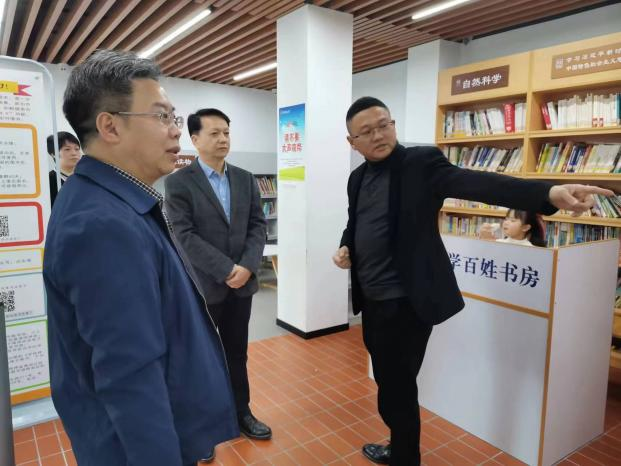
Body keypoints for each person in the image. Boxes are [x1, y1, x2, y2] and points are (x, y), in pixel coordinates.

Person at [332, 96, 613, 466]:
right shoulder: (357, 179)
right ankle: (399, 444)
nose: (378, 135)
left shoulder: (420, 163)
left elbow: (479, 184)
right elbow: (356, 222)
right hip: (372, 300)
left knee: (397, 389)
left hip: (408, 301)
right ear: (352, 142)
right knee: (390, 382)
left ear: (393, 125)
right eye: (366, 132)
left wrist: (547, 193)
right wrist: (346, 246)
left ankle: (404, 457)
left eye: (384, 125)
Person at [43, 50, 238, 466]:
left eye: (174, 117)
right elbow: (129, 375)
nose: (177, 130)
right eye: (162, 116)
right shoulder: (101, 224)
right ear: (110, 126)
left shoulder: (106, 200)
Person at [164, 108, 271, 455]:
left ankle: (242, 413)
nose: (223, 139)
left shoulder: (245, 178)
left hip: (242, 286)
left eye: (226, 132)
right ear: (195, 139)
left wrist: (248, 267)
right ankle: (204, 428)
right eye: (214, 133)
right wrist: (227, 269)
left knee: (237, 353)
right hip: (204, 287)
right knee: (202, 358)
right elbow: (184, 235)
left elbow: (257, 226)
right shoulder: (179, 182)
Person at [46, 131, 81, 205]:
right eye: (67, 149)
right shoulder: (47, 181)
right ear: (53, 154)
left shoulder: (87, 178)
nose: (74, 153)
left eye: (77, 149)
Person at [480, 209, 547, 246]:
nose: (506, 222)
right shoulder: (499, 243)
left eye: (512, 220)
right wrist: (486, 239)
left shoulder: (530, 249)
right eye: (506, 219)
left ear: (525, 227)